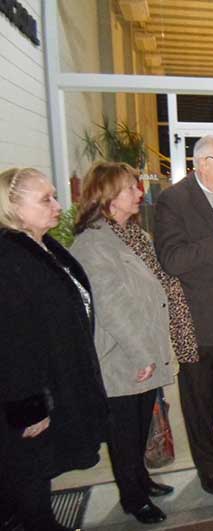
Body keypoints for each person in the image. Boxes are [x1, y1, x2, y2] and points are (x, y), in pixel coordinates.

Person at [71, 162, 198, 524]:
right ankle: (132, 497)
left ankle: (141, 478)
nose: (140, 194)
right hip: (124, 355)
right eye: (130, 188)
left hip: (145, 349)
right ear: (108, 196)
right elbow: (112, 306)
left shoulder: (134, 235)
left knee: (141, 424)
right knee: (124, 432)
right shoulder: (94, 244)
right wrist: (142, 354)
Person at [0, 168, 107, 531]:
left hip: (57, 379)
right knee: (28, 475)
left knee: (40, 472)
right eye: (45, 199)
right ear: (13, 207)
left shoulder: (44, 246)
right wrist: (29, 409)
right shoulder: (9, 258)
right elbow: (12, 342)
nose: (58, 205)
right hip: (31, 395)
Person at [154, 136, 213, 495]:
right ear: (203, 164)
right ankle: (208, 466)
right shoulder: (173, 200)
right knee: (199, 400)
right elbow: (172, 259)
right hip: (197, 321)